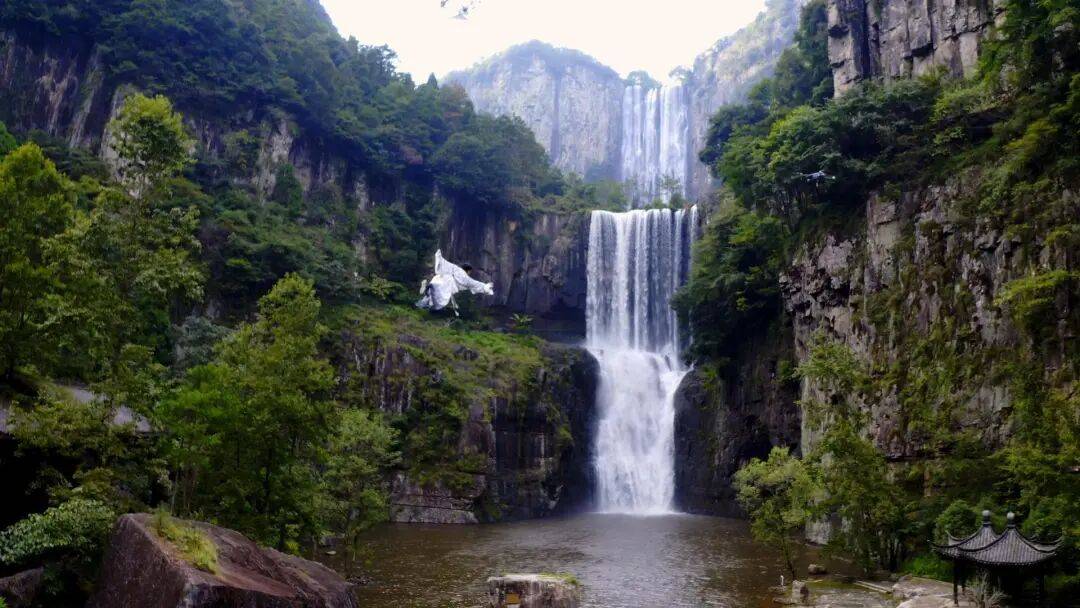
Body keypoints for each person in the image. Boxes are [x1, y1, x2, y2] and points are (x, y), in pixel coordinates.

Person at [416, 250, 494, 315]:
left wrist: (439, 257)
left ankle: (426, 289)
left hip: (439, 279)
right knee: (439, 301)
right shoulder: (465, 277)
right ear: (468, 270)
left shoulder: (455, 268)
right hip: (447, 287)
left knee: (431, 293)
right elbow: (474, 284)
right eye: (470, 272)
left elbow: (444, 264)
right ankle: (426, 299)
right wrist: (485, 287)